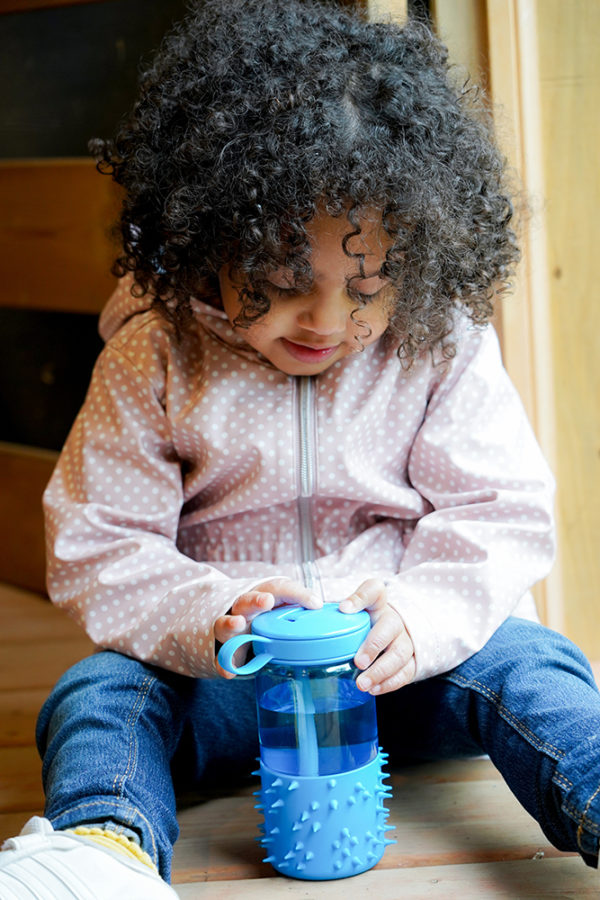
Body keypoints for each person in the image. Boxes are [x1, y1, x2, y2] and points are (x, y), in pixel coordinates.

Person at [1, 0, 599, 896]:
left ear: (420, 260)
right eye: (282, 280)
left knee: (535, 662)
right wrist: (213, 615)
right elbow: (99, 543)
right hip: (236, 682)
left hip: (405, 670)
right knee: (99, 695)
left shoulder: (439, 343)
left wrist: (423, 615)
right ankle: (102, 848)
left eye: (369, 287)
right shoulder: (155, 353)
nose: (325, 320)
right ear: (208, 237)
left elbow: (500, 510)